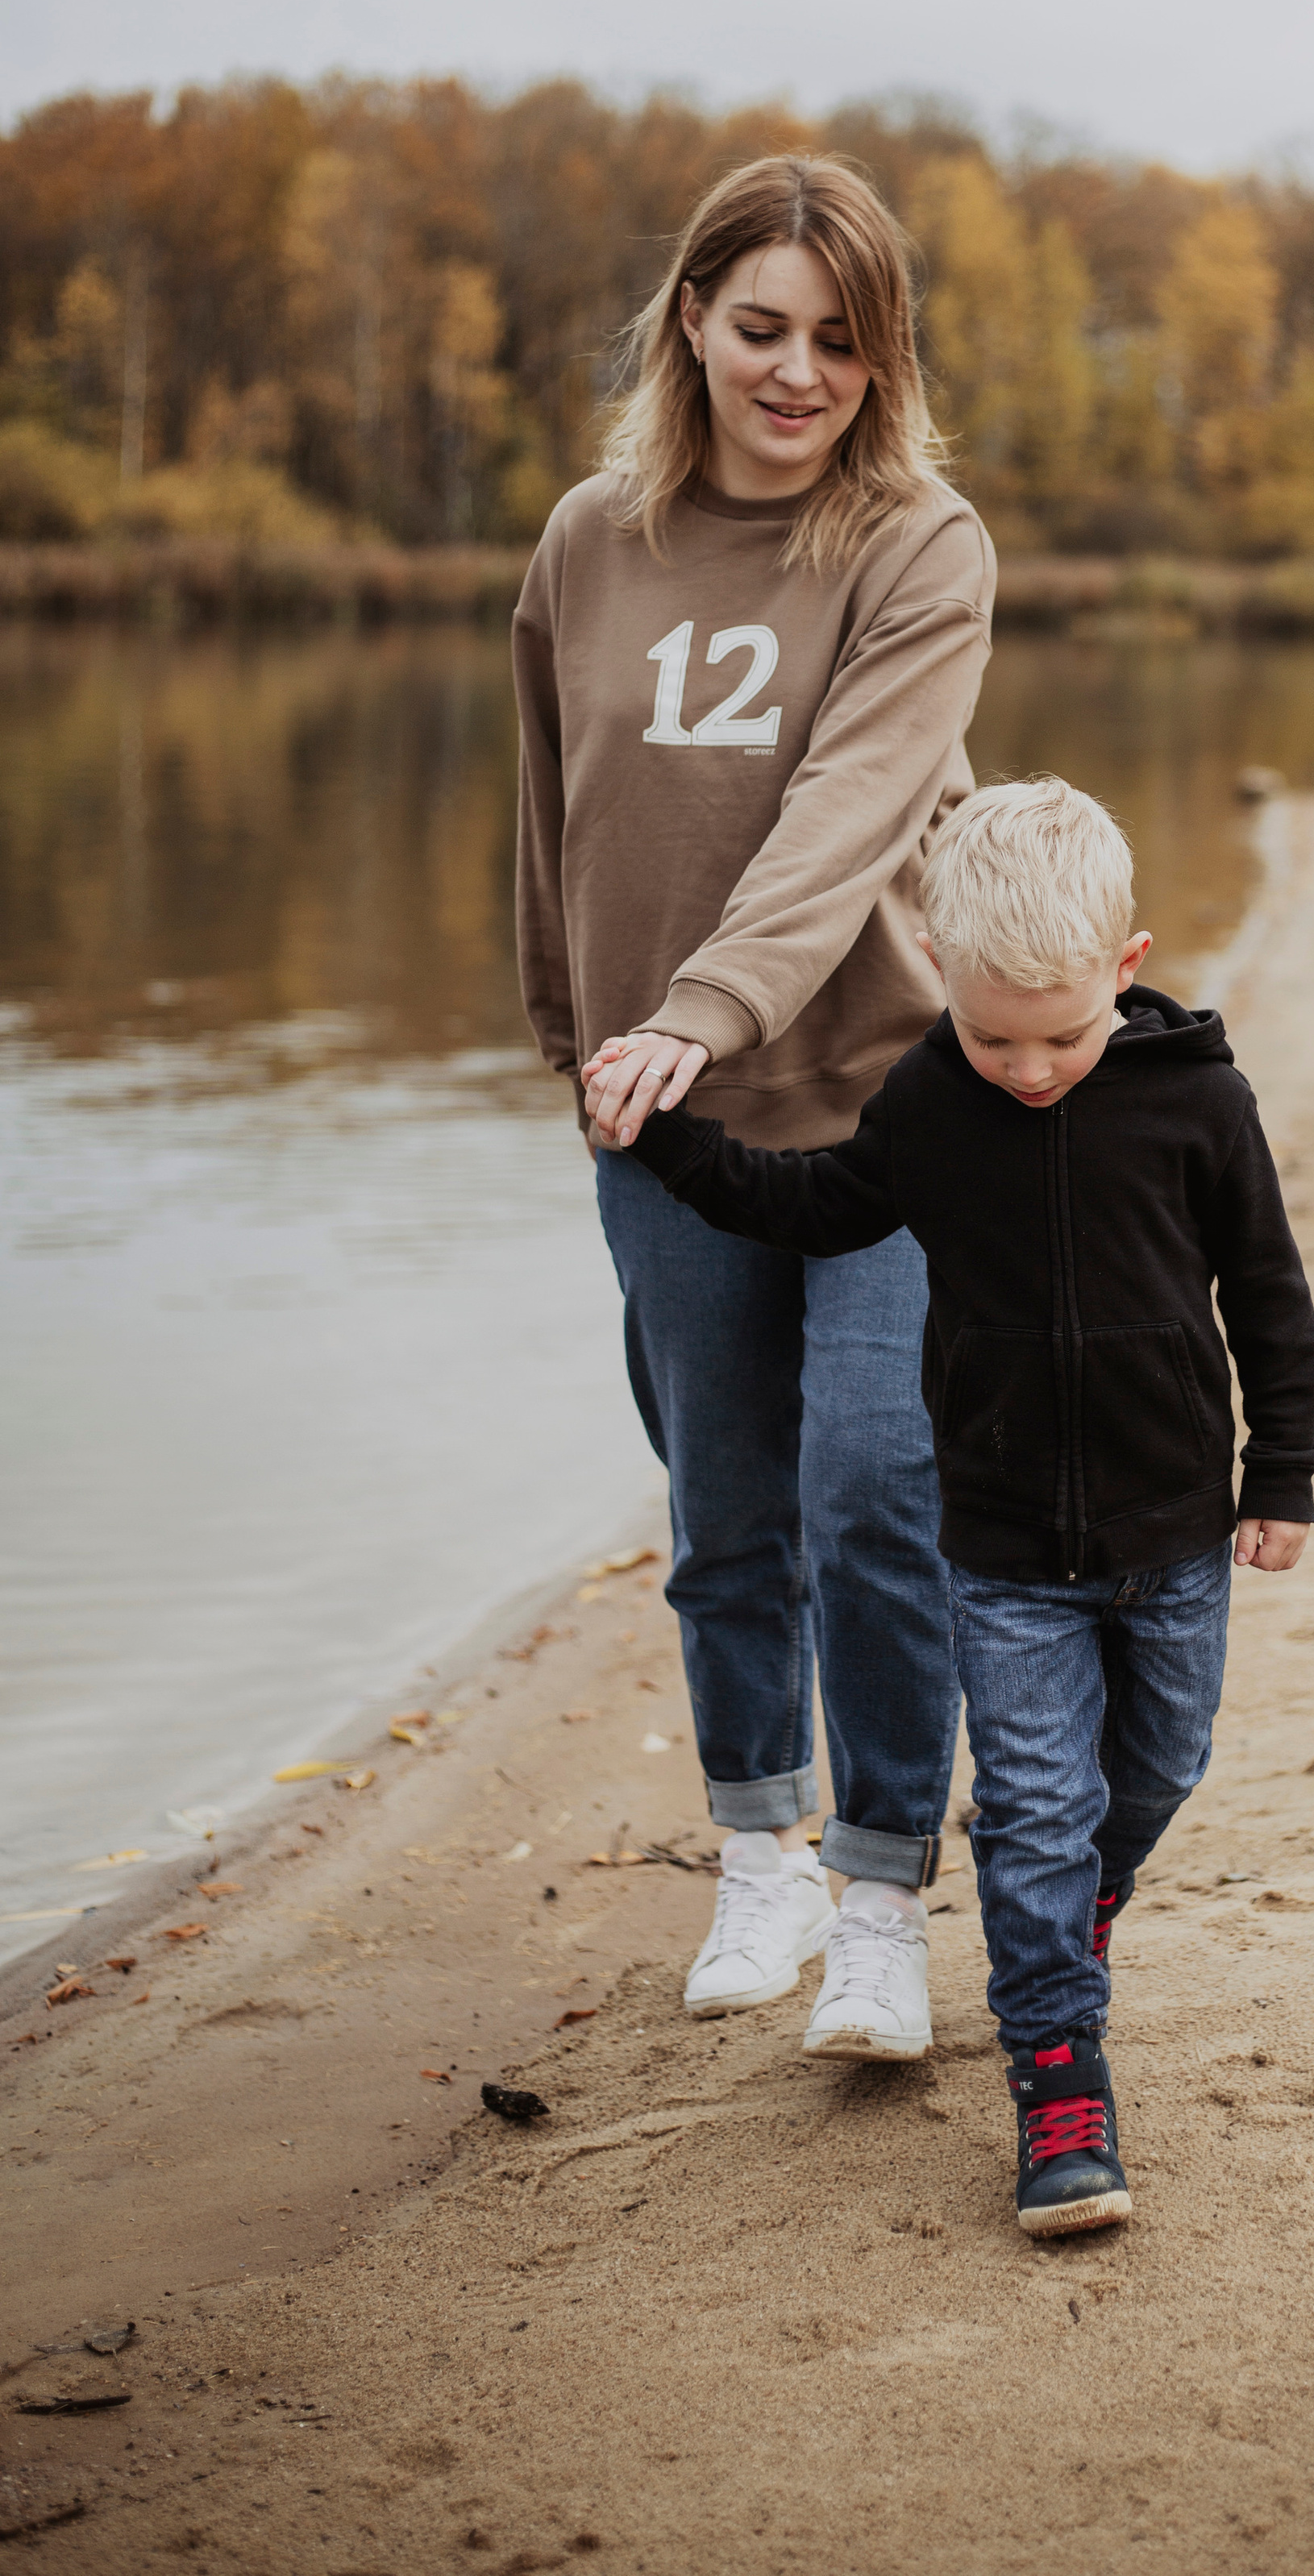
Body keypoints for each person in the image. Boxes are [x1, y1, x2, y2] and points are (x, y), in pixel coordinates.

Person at [615, 779, 1314, 2237]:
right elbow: (815, 1209)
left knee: (1157, 1773)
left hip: (1177, 1534)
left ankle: (1070, 1905)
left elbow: (1267, 1289)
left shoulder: (1200, 1100)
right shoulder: (933, 1102)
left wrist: (1285, 1470)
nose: (1029, 1068)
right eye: (994, 1035)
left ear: (1124, 970)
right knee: (1036, 1810)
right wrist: (666, 1140)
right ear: (940, 973)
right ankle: (1059, 2080)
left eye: (1062, 1035)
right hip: (1001, 1553)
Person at [513, 153, 994, 2065]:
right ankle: (758, 1855)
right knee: (722, 1511)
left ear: (882, 359)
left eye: (840, 342)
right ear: (690, 321)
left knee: (876, 1489)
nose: (798, 374)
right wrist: (576, 1035)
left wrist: (698, 1013)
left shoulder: (918, 546)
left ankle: (881, 1894)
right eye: (761, 329)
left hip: (881, 1103)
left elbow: (845, 821)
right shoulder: (585, 540)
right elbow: (555, 811)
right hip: (659, 1115)